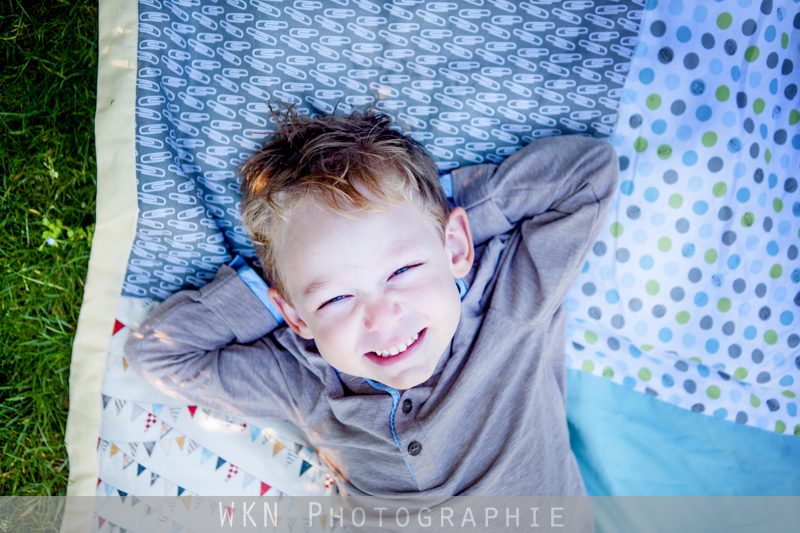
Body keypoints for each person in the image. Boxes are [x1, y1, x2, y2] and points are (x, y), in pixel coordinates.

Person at [124, 107, 618, 525]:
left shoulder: (509, 301)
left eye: (402, 268)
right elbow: (160, 355)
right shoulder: (303, 377)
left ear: (457, 246)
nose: (381, 317)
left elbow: (588, 175)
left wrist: (434, 224)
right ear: (293, 317)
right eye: (335, 299)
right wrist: (275, 296)